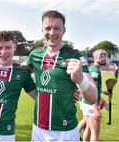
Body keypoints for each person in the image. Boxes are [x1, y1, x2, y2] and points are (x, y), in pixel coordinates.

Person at [23, 10, 97, 141]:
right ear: (42, 30)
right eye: (48, 28)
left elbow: (93, 98)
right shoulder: (35, 54)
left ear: (64, 30)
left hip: (65, 132)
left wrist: (80, 80)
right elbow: (17, 71)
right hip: (38, 129)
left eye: (57, 28)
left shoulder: (76, 56)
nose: (52, 33)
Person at [79, 49, 110, 141]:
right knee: (95, 134)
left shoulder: (94, 69)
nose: (104, 57)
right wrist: (96, 108)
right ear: (95, 57)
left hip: (88, 103)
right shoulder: (95, 71)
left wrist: (103, 93)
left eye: (105, 55)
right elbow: (93, 90)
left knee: (88, 128)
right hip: (90, 104)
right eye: (101, 55)